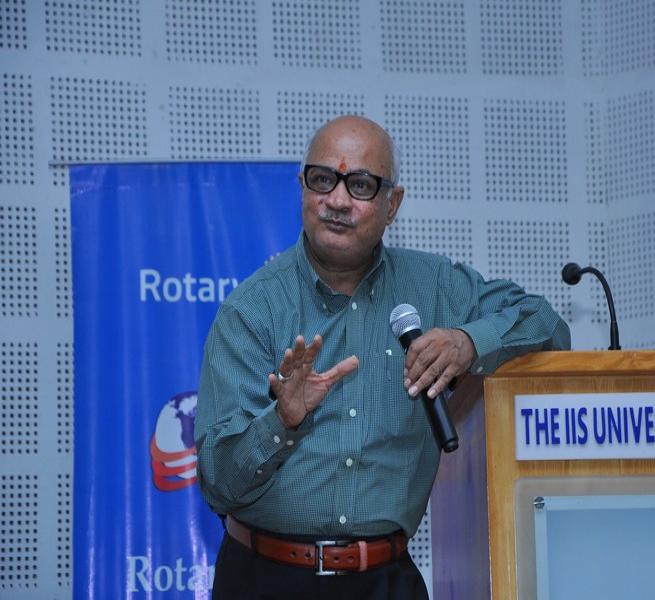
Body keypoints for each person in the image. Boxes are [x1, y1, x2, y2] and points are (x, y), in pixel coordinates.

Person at [195, 115, 570, 599]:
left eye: (360, 185)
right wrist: (281, 422)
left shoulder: (435, 287)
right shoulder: (251, 310)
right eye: (323, 180)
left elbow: (547, 325)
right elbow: (218, 485)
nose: (337, 200)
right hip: (265, 578)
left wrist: (469, 342)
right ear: (302, 187)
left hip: (386, 580)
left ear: (392, 204)